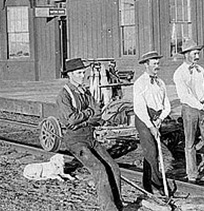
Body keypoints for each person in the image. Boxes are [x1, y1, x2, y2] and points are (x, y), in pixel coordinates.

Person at [56, 58, 123, 211]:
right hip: (75, 140)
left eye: (83, 72)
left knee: (113, 167)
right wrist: (88, 113)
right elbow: (70, 120)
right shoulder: (64, 96)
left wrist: (85, 118)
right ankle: (108, 208)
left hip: (89, 137)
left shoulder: (85, 91)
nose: (82, 76)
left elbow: (98, 112)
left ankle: (118, 205)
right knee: (99, 169)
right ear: (70, 75)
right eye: (79, 73)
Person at [173, 39, 204, 184]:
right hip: (190, 110)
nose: (197, 56)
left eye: (198, 53)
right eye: (195, 53)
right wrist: (201, 106)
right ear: (187, 54)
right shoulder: (179, 73)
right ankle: (192, 175)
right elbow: (185, 96)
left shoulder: (200, 70)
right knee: (190, 143)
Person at [133, 50, 171, 195]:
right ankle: (156, 184)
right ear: (146, 65)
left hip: (157, 118)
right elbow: (140, 108)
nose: (157, 66)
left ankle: (147, 184)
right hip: (143, 120)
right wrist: (151, 126)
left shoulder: (160, 83)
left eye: (158, 63)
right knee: (152, 152)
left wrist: (160, 119)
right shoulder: (140, 83)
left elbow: (167, 105)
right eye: (154, 64)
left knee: (150, 153)